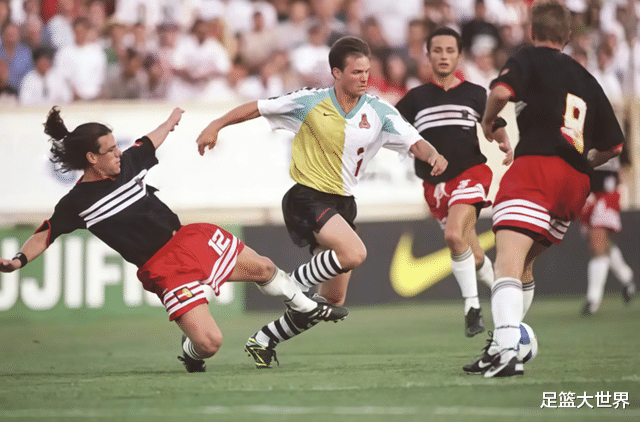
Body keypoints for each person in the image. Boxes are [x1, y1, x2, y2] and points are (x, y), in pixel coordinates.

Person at [0, 106, 349, 374]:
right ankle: (190, 351)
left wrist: (170, 122)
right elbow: (45, 233)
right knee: (210, 344)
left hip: (187, 239)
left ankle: (306, 306)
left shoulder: (128, 163)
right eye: (110, 149)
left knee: (264, 268)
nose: (119, 152)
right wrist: (18, 260)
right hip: (164, 269)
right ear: (92, 158)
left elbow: (148, 141)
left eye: (117, 146)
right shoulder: (77, 202)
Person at [195, 36, 447, 367]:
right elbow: (257, 107)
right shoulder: (310, 101)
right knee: (354, 253)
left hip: (343, 204)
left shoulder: (379, 111)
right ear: (337, 73)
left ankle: (264, 339)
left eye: (367, 71)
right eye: (356, 72)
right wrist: (216, 124)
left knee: (332, 300)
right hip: (307, 197)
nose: (364, 78)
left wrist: (434, 155)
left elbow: (415, 141)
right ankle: (290, 284)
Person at [463, 1, 624, 378]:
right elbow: (615, 146)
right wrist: (584, 164)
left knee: (507, 259)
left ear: (532, 32)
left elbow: (500, 92)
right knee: (524, 264)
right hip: (575, 182)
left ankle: (507, 350)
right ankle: (501, 346)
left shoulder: (528, 57)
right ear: (567, 36)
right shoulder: (587, 77)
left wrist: (489, 122)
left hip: (537, 167)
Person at [395, 27, 512, 338]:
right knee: (472, 253)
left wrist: (503, 140)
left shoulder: (475, 93)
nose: (444, 56)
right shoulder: (415, 99)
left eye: (450, 50)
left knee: (452, 235)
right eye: (437, 50)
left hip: (470, 175)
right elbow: (392, 129)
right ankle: (503, 294)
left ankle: (472, 308)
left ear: (460, 55)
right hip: (435, 187)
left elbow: (493, 122)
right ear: (428, 55)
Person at [579, 155, 636, 316]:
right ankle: (627, 278)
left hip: (607, 195)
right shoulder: (582, 142)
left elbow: (625, 164)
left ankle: (593, 299)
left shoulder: (615, 142)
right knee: (600, 244)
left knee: (597, 244)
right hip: (589, 195)